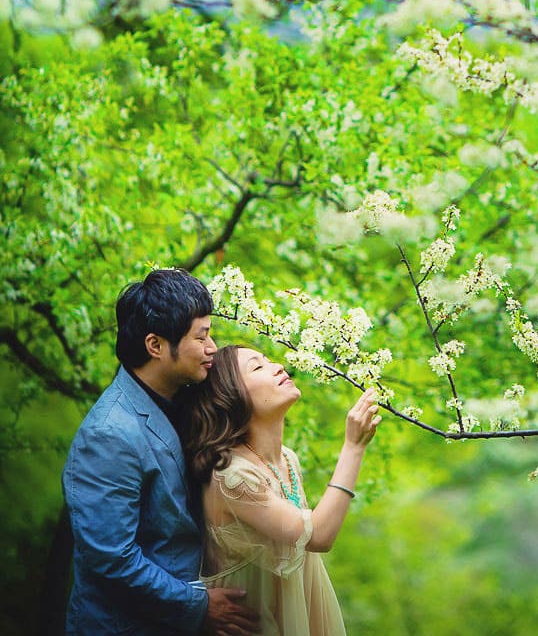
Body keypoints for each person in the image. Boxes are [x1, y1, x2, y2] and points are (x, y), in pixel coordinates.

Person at [62, 267, 259, 635]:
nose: (212, 347)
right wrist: (198, 606)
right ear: (155, 346)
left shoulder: (185, 399)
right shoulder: (109, 434)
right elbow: (110, 558)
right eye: (201, 337)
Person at [178, 345, 381, 636]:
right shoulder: (233, 477)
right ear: (232, 395)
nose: (277, 366)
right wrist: (354, 447)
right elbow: (319, 536)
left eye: (269, 359)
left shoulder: (286, 458)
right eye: (257, 367)